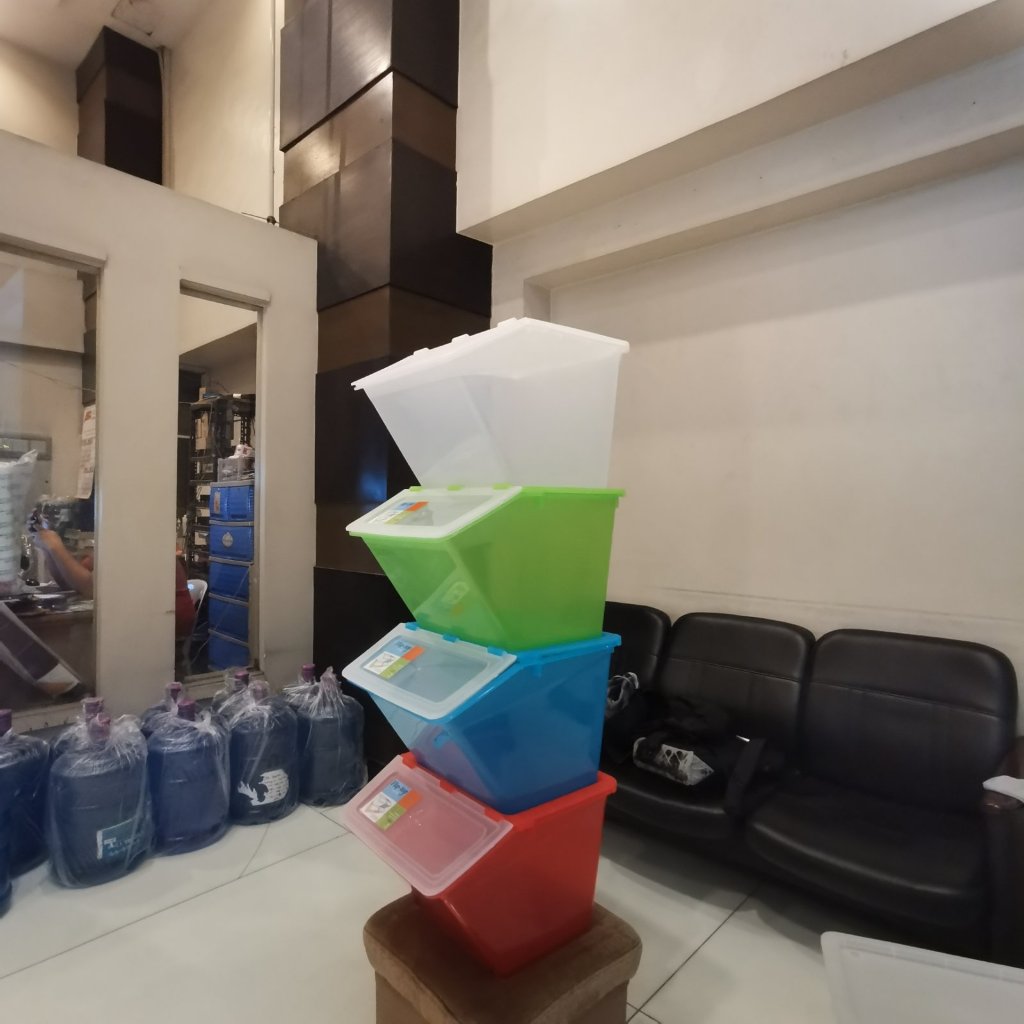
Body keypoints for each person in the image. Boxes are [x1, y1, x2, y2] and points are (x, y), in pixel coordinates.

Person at [32, 529, 196, 638]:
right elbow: (72, 584)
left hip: (164, 620)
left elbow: (91, 589)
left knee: (78, 637)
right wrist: (48, 549)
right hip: (141, 613)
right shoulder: (115, 533)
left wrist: (55, 548)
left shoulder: (139, 533)